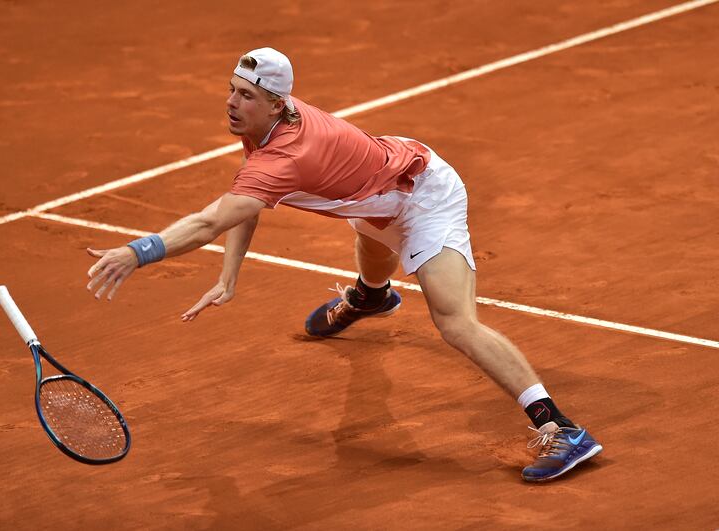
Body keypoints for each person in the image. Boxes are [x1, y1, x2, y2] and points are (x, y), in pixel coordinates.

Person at [86, 47, 602, 482]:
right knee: (371, 236)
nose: (231, 103)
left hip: (423, 195)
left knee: (455, 322)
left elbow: (210, 221)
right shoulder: (266, 125)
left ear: (276, 103)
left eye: (245, 95)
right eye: (231, 90)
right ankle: (371, 297)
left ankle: (560, 428)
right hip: (374, 196)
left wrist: (138, 251)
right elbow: (247, 198)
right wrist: (228, 276)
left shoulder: (289, 153)